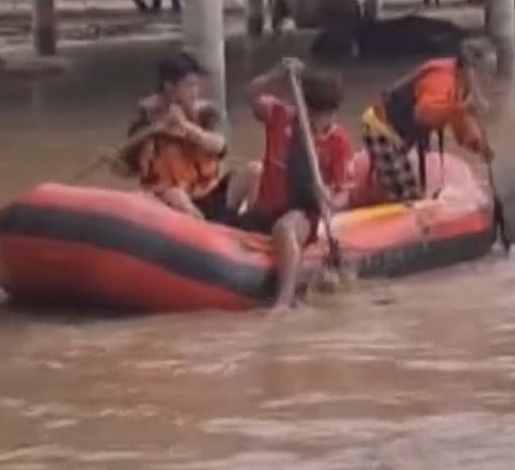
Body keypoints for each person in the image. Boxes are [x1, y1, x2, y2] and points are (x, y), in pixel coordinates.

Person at [239, 58, 356, 309]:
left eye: (322, 115)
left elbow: (342, 196)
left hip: (302, 213)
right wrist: (276, 74)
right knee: (247, 181)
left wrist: (327, 197)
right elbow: (248, 95)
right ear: (302, 105)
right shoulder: (280, 115)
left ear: (333, 112)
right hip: (266, 207)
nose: (316, 121)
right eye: (311, 113)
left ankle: (284, 300)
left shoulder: (338, 141)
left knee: (285, 228)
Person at [359, 37, 497, 205]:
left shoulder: (462, 86)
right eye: (485, 72)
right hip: (381, 128)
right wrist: (461, 109)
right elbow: (423, 113)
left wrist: (480, 146)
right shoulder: (441, 78)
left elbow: (461, 125)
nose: (488, 79)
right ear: (469, 68)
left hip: (401, 132)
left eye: (491, 72)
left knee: (409, 184)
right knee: (406, 192)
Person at [108, 50, 231, 219]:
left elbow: (221, 147)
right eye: (189, 85)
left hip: (208, 190)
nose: (195, 91)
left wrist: (185, 128)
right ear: (170, 87)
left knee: (254, 171)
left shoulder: (206, 114)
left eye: (197, 85)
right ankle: (204, 232)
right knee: (176, 195)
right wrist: (154, 129)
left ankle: (248, 229)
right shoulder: (146, 119)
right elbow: (124, 164)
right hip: (168, 197)